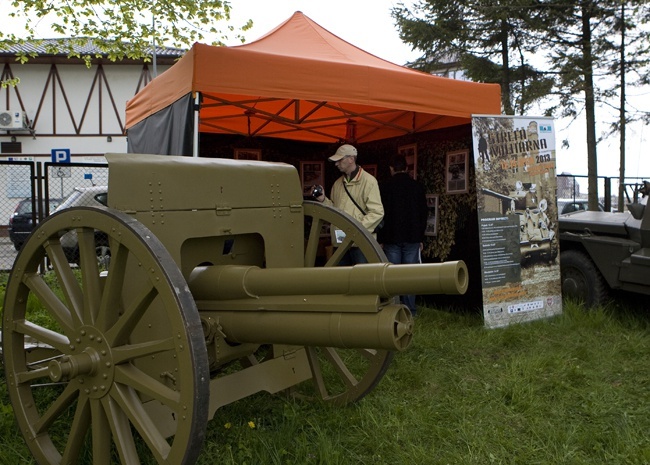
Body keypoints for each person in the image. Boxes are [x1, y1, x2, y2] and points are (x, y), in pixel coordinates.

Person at [313, 144, 384, 265]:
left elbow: (377, 212)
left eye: (339, 160)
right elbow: (335, 210)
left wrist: (355, 230)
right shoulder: (337, 184)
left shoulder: (369, 181)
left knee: (361, 281)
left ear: (351, 159)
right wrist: (323, 199)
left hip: (360, 243)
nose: (336, 164)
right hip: (340, 242)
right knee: (341, 281)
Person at [377, 154, 428, 316]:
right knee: (410, 277)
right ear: (406, 168)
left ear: (391, 169)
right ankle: (410, 311)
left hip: (391, 237)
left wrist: (381, 238)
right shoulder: (417, 186)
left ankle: (392, 310)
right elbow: (423, 214)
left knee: (391, 276)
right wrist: (421, 237)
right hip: (413, 237)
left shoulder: (384, 187)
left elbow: (380, 214)